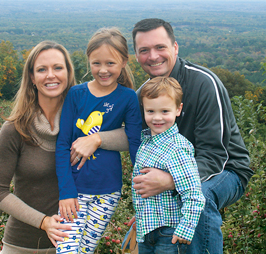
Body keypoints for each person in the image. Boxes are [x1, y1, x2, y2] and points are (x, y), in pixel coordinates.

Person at [130, 18, 253, 253]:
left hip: (227, 171)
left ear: (175, 47)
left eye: (160, 47)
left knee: (200, 197)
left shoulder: (204, 83)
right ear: (136, 55)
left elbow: (216, 155)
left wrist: (171, 181)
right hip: (177, 171)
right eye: (144, 50)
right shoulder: (143, 96)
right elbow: (141, 145)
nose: (153, 56)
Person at [55, 27, 142, 254]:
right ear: (88, 62)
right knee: (67, 249)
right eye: (96, 63)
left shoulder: (128, 98)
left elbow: (135, 145)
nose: (103, 70)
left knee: (85, 250)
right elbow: (63, 144)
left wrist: (143, 193)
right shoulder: (76, 94)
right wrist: (66, 192)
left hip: (108, 192)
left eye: (110, 63)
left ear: (124, 62)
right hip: (75, 191)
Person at [0, 41, 77, 254]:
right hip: (22, 245)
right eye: (41, 69)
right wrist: (43, 222)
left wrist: (98, 139)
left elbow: (128, 134)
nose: (50, 75)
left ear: (68, 72)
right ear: (32, 78)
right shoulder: (15, 129)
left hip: (73, 244)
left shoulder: (83, 125)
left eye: (58, 67)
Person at [132, 76, 205, 254]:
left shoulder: (177, 148)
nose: (157, 118)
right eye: (150, 111)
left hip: (168, 233)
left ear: (178, 109)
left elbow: (194, 192)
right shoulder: (146, 142)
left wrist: (185, 229)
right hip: (147, 231)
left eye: (165, 111)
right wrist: (141, 214)